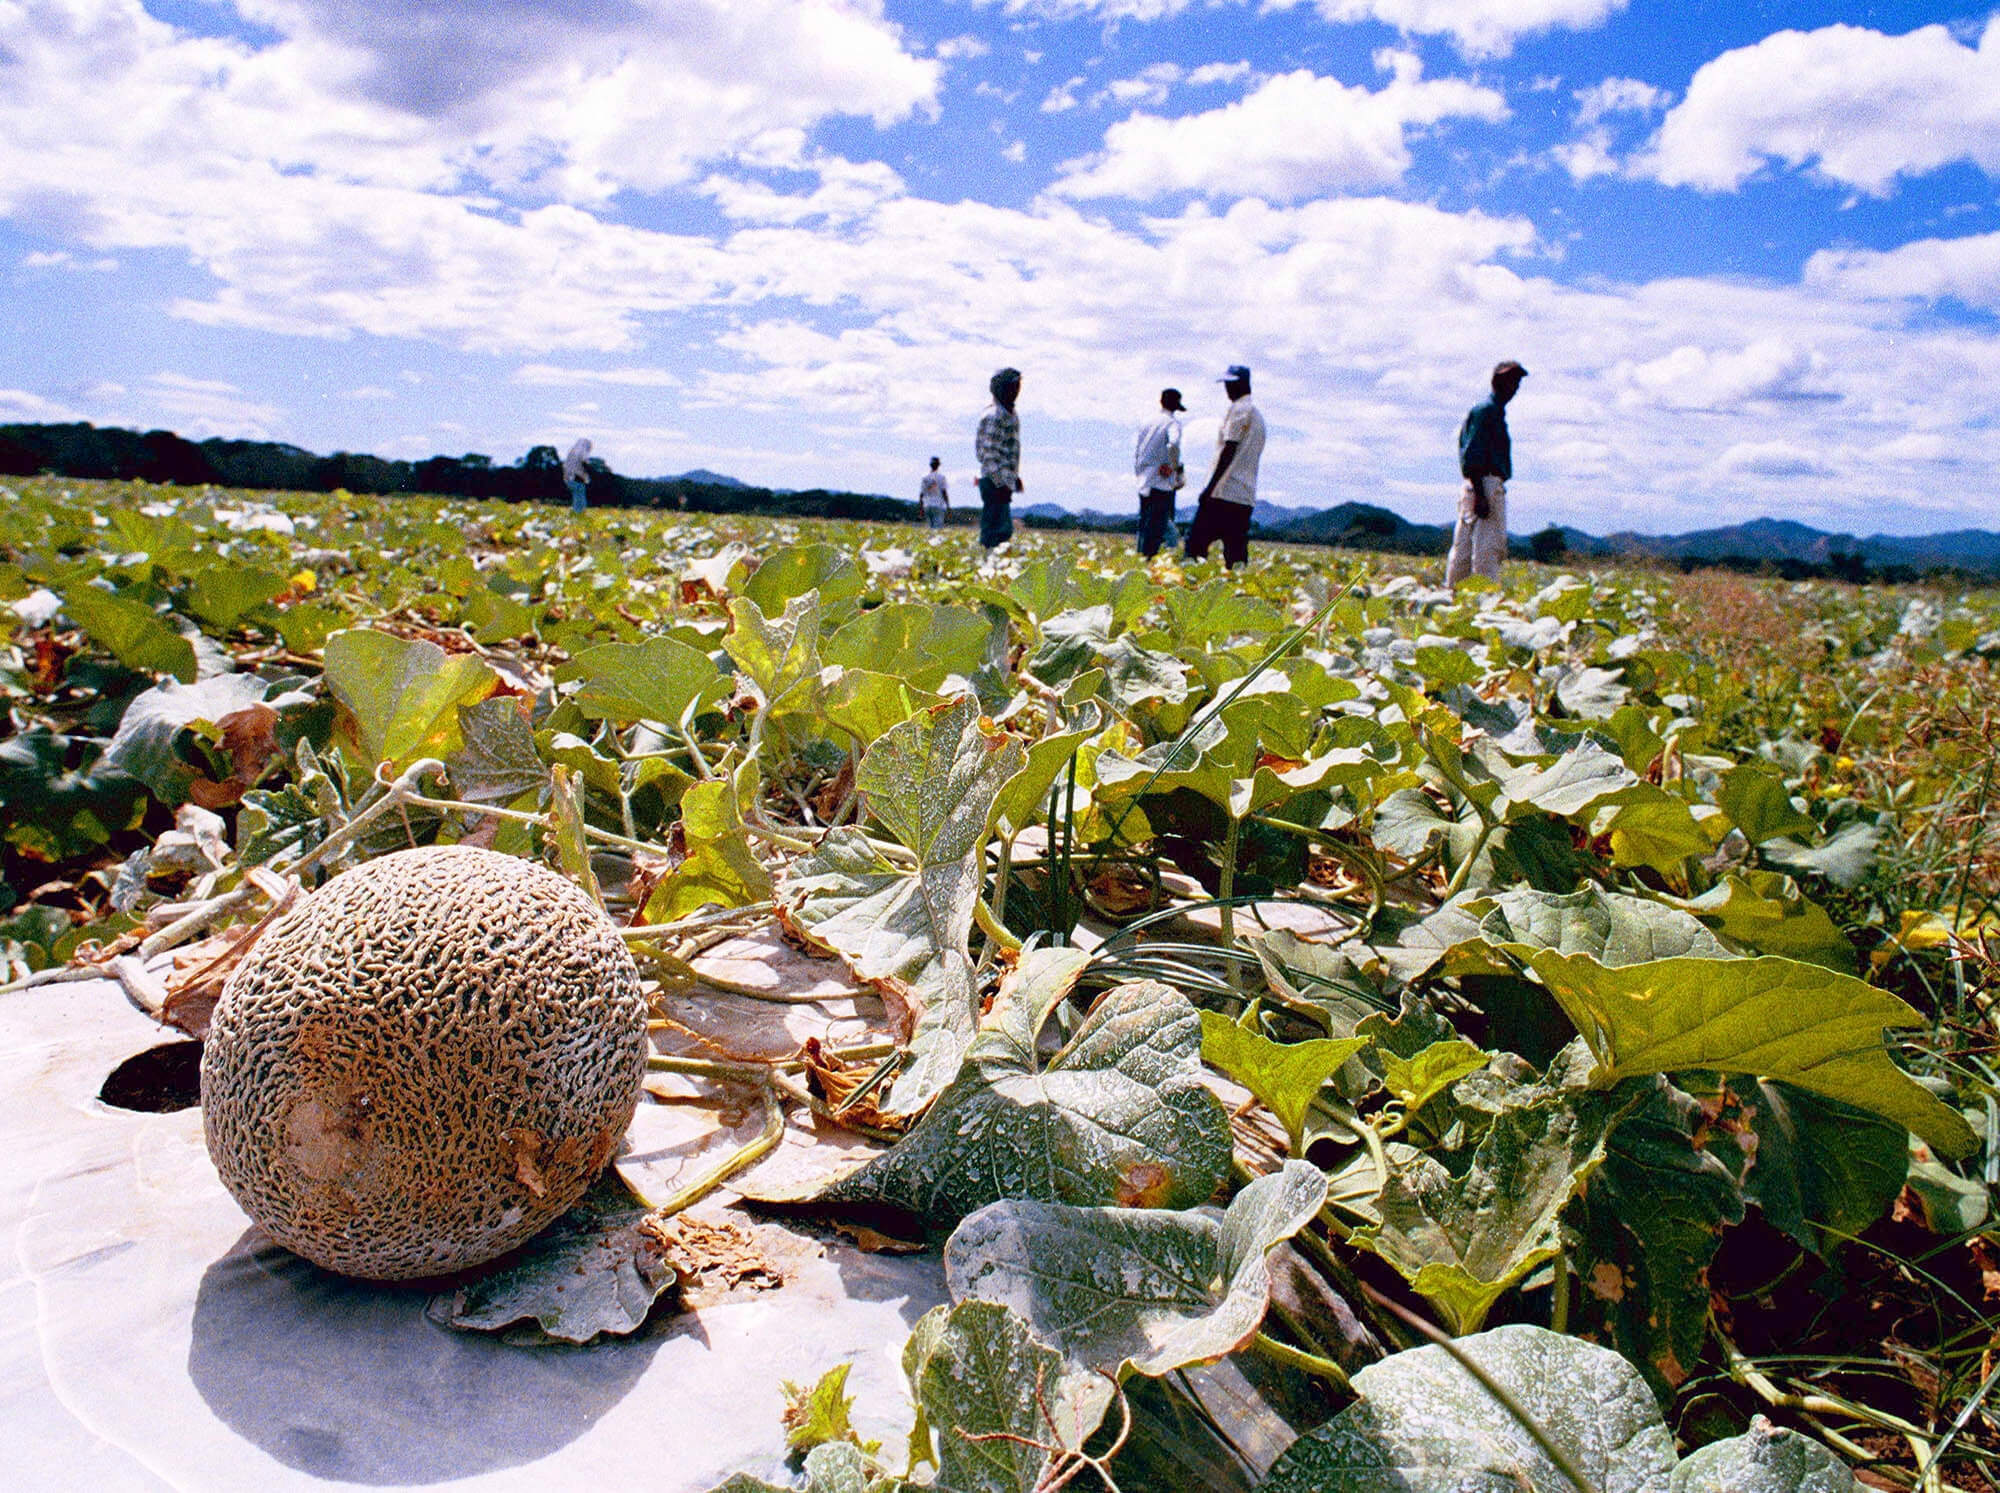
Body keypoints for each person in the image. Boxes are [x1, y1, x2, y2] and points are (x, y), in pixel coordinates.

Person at [1447, 360, 1528, 586]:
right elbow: (1474, 453)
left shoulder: (1490, 412)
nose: (1514, 388)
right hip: (1485, 483)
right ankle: (1483, 603)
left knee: (1464, 546)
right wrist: (1482, 494)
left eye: (1516, 383)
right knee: (1487, 549)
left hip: (1477, 484)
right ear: (1496, 382)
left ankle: (1454, 595)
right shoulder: (1487, 411)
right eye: (1511, 381)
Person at [1183, 365, 1264, 569]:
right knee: (1235, 556)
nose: (1227, 388)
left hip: (1223, 492)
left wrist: (1209, 489)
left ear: (1240, 384)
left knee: (1194, 547)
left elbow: (1229, 449)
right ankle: (1238, 595)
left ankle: (1192, 592)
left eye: (1230, 384)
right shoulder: (1258, 416)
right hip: (1244, 495)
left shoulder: (1238, 409)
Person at [1133, 388, 1185, 558]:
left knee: (1144, 525)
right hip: (1161, 480)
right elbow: (1173, 445)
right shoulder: (1172, 423)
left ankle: (1140, 561)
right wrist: (1174, 467)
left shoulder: (1146, 422)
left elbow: (1138, 450)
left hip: (1144, 478)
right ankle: (1164, 561)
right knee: (1162, 528)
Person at [975, 367, 1023, 549]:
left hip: (1003, 479)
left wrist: (1014, 477)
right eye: (1012, 387)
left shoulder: (1009, 413)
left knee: (1001, 527)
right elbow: (989, 454)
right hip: (994, 479)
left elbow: (1009, 450)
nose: (1016, 391)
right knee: (996, 528)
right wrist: (1000, 482)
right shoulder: (994, 415)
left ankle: (992, 560)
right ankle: (988, 561)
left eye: (1018, 387)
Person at [917, 456, 950, 531]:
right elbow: (944, 492)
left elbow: (921, 494)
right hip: (938, 505)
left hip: (927, 505)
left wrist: (921, 508)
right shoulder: (941, 477)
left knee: (930, 528)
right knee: (937, 529)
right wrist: (948, 506)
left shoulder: (925, 477)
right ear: (938, 465)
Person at [562, 438, 592, 513]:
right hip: (574, 478)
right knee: (579, 496)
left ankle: (578, 512)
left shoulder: (572, 452)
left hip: (569, 478)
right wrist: (585, 477)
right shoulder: (577, 454)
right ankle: (578, 512)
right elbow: (577, 468)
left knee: (577, 495)